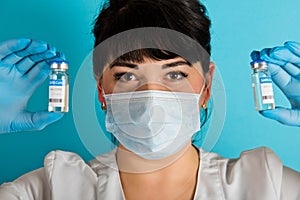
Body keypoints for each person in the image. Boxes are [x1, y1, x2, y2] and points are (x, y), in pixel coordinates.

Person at [0, 0, 300, 199]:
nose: (151, 99)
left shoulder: (267, 187)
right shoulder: (49, 191)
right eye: (127, 76)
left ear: (206, 87)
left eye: (175, 75)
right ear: (102, 90)